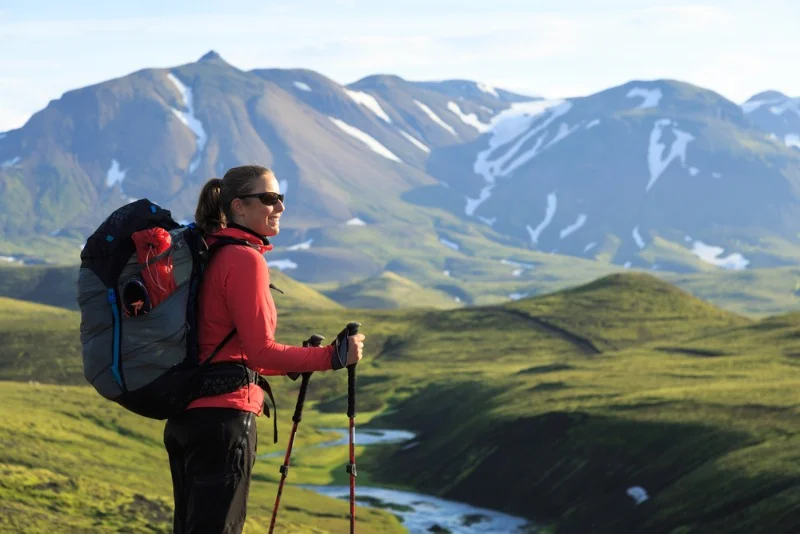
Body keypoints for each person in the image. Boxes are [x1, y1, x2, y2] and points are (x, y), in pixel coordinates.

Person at [163, 164, 365, 533]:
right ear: (238, 206)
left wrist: (295, 361)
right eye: (269, 199)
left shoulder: (210, 253)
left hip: (187, 419)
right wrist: (332, 357)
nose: (280, 208)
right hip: (224, 421)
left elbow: (228, 348)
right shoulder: (243, 259)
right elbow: (260, 354)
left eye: (280, 198)